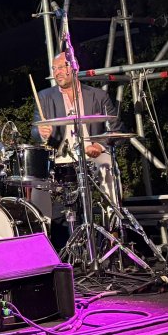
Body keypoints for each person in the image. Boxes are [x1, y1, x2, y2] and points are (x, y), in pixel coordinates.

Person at [31, 52, 122, 244]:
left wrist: (99, 145)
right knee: (37, 183)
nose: (57, 72)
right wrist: (42, 132)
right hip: (59, 155)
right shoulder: (45, 97)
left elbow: (116, 131)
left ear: (74, 67)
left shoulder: (98, 96)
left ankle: (114, 231)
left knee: (108, 167)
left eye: (62, 67)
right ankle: (42, 237)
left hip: (93, 153)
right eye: (54, 69)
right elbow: (34, 130)